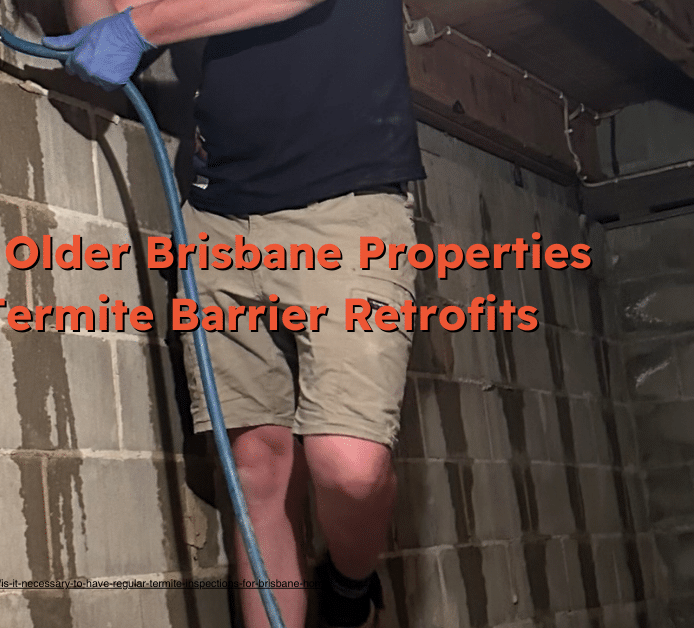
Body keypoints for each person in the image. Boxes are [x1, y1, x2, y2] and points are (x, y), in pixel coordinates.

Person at [42, 1, 424, 627]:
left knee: (348, 468)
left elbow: (136, 27)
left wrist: (139, 30)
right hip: (218, 217)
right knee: (256, 472)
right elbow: (103, 22)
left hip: (348, 202)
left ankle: (350, 584)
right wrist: (121, 25)